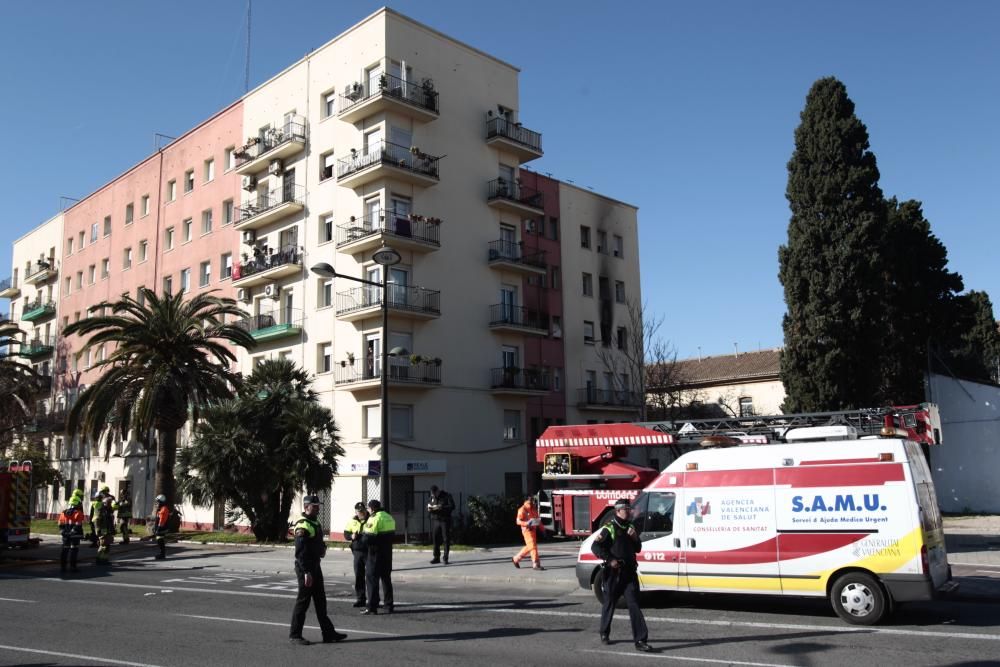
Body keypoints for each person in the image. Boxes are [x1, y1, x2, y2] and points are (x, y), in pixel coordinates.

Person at [591, 499, 651, 652]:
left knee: (634, 605)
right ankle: (604, 632)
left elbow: (637, 549)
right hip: (614, 574)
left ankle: (640, 640)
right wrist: (610, 560)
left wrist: (635, 538)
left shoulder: (631, 527)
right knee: (609, 603)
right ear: (618, 511)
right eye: (626, 509)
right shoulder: (609, 528)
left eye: (629, 508)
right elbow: (595, 546)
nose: (629, 511)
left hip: (629, 573)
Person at [289, 495, 346, 645]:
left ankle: (328, 633)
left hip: (315, 565)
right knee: (303, 601)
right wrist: (306, 572)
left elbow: (317, 543)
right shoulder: (302, 525)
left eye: (318, 505)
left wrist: (322, 549)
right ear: (306, 507)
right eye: (314, 506)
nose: (318, 508)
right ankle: (295, 635)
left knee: (321, 601)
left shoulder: (314, 522)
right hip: (305, 568)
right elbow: (300, 551)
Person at [360, 498, 395, 615]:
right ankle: (389, 605)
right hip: (387, 553)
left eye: (369, 509)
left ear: (373, 508)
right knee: (386, 579)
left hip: (375, 553)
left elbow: (368, 537)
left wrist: (361, 540)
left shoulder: (374, 518)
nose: (368, 511)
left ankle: (372, 607)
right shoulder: (389, 517)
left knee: (372, 579)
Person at [344, 501, 369, 608]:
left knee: (371, 577)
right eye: (359, 511)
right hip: (357, 552)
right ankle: (360, 599)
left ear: (365, 510)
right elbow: (346, 534)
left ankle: (373, 600)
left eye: (362, 511)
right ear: (355, 511)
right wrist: (351, 536)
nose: (361, 513)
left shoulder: (371, 519)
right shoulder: (352, 521)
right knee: (359, 576)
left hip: (369, 551)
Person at [512, 496, 545, 570]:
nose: (532, 502)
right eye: (531, 501)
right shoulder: (522, 510)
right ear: (527, 501)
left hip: (533, 530)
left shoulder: (533, 509)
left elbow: (538, 520)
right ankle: (536, 564)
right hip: (527, 531)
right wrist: (526, 523)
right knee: (532, 546)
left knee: (530, 546)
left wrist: (543, 530)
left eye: (532, 501)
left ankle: (516, 559)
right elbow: (518, 521)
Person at [427, 485, 455, 565]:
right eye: (432, 494)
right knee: (435, 539)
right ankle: (436, 557)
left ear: (437, 491)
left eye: (434, 494)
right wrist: (429, 508)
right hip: (436, 520)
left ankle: (445, 558)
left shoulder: (447, 496)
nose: (433, 496)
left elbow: (452, 506)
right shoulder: (432, 497)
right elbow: (429, 505)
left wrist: (441, 507)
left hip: (445, 520)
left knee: (446, 539)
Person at [58, 497, 86, 572]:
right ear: (77, 504)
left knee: (65, 550)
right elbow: (78, 525)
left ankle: (63, 567)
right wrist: (72, 532)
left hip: (65, 535)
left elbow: (60, 524)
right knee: (74, 550)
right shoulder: (78, 513)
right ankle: (73, 567)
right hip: (75, 536)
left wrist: (63, 532)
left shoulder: (63, 513)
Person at [94, 495, 116, 566]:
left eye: (110, 503)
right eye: (109, 503)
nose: (110, 504)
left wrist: (113, 530)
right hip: (102, 530)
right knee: (103, 545)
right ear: (105, 503)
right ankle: (99, 559)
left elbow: (110, 521)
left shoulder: (109, 510)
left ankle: (105, 559)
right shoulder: (100, 509)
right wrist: (97, 530)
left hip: (108, 530)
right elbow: (96, 520)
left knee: (107, 545)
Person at [152, 494, 170, 560]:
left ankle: (162, 554)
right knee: (159, 539)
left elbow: (162, 520)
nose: (157, 503)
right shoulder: (161, 509)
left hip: (162, 528)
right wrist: (155, 528)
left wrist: (158, 529)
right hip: (160, 527)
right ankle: (162, 554)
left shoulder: (163, 509)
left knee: (160, 539)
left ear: (161, 502)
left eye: (158, 502)